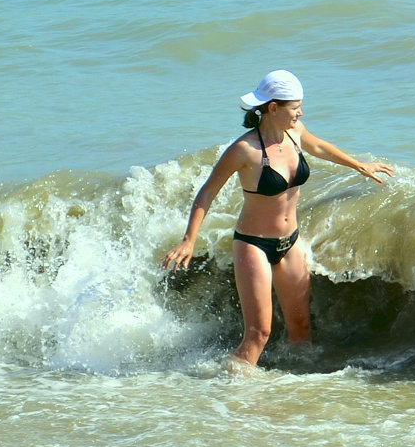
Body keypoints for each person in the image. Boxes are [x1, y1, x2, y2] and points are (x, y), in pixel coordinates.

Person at [162, 69, 393, 366]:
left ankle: (290, 395)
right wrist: (188, 240)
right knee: (259, 333)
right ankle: (234, 397)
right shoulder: (244, 150)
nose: (300, 113)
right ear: (273, 108)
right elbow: (207, 193)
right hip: (253, 245)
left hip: (290, 242)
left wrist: (359, 165)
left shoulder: (295, 134)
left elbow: (320, 146)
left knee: (301, 331)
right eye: (294, 108)